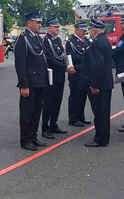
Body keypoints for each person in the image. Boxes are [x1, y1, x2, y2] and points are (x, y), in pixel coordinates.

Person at [14, 11, 48, 151]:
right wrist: (24, 85)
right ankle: (26, 140)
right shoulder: (23, 39)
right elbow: (20, 64)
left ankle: (33, 136)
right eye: (37, 22)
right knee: (27, 113)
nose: (40, 25)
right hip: (30, 83)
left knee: (36, 112)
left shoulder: (38, 38)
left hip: (40, 81)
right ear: (29, 23)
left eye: (40, 22)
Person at [79, 19, 113, 147]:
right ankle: (102, 137)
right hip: (105, 82)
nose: (89, 33)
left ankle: (100, 139)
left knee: (100, 113)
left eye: (90, 30)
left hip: (99, 84)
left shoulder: (97, 43)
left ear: (94, 30)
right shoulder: (104, 40)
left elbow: (97, 65)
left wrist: (94, 85)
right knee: (103, 112)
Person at [41, 18, 75, 139]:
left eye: (58, 27)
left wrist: (68, 65)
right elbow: (50, 59)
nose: (58, 29)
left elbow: (62, 56)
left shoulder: (58, 40)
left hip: (60, 75)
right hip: (51, 76)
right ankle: (45, 127)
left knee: (57, 101)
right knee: (48, 102)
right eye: (55, 27)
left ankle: (53, 124)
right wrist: (66, 68)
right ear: (49, 28)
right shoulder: (46, 41)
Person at [65, 22, 91, 127]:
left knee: (82, 96)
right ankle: (73, 118)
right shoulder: (71, 42)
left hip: (84, 73)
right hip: (75, 72)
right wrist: (85, 58)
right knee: (75, 96)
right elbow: (72, 57)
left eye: (85, 30)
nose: (84, 32)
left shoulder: (87, 41)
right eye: (82, 30)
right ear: (76, 30)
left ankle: (81, 117)